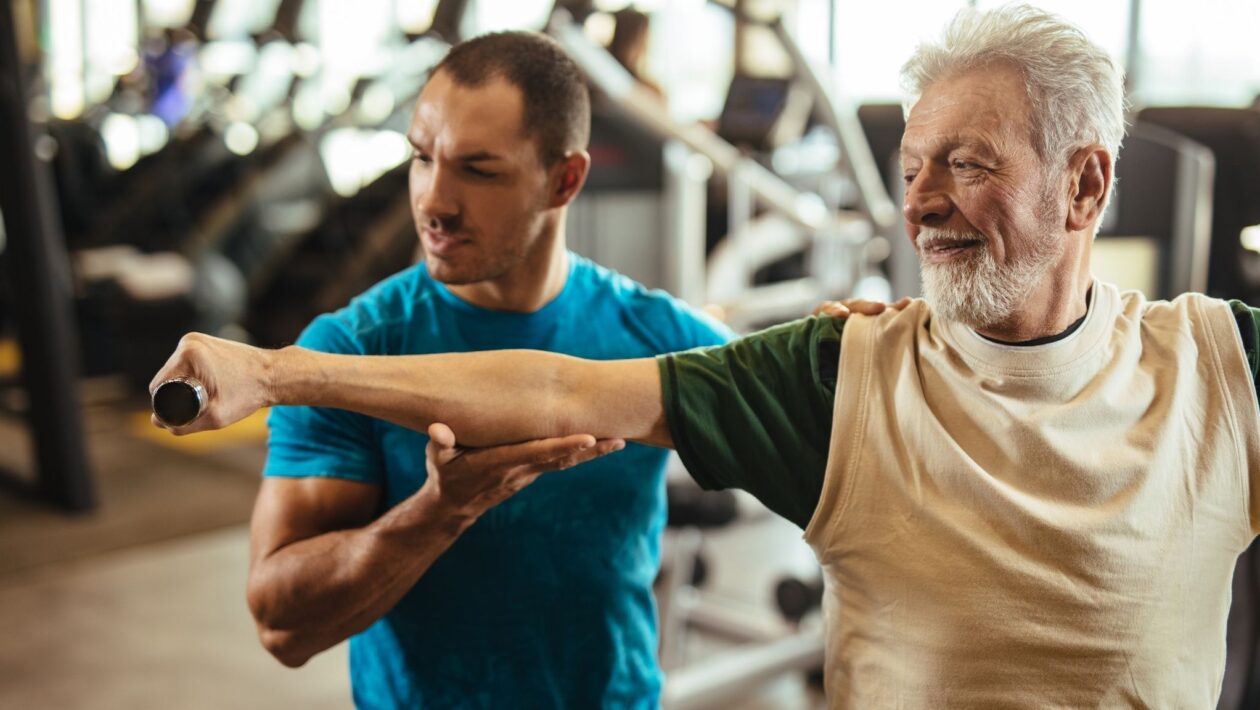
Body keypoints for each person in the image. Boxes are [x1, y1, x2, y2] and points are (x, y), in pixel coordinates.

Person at [151, 5, 1260, 706]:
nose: (920, 202)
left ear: (1085, 185)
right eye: (913, 163)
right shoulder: (359, 345)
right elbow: (546, 391)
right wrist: (280, 372)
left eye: (965, 164)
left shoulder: (1220, 367)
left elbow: (653, 370)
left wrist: (821, 345)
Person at [234, 31, 748, 709]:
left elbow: (827, 422)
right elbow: (281, 626)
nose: (434, 201)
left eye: (478, 170)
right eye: (422, 158)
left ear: (564, 180)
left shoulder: (659, 336)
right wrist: (440, 512)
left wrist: (856, 345)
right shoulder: (348, 351)